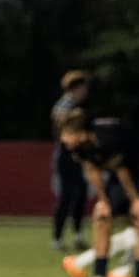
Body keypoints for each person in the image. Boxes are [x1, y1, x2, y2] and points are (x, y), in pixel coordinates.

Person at [60, 110, 139, 277]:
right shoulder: (78, 146)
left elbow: (123, 171)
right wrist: (103, 201)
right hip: (122, 170)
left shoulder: (105, 139)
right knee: (101, 216)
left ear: (81, 133)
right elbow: (91, 170)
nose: (63, 139)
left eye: (67, 134)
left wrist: (136, 200)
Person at [50, 70, 90, 252]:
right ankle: (57, 239)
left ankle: (77, 235)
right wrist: (72, 116)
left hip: (77, 155)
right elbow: (58, 118)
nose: (86, 91)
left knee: (80, 194)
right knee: (66, 196)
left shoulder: (75, 105)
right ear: (76, 87)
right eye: (83, 87)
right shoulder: (65, 104)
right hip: (65, 155)